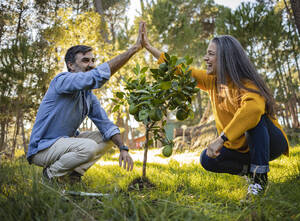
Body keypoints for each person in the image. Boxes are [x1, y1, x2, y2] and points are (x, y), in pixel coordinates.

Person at [141, 23, 289, 195]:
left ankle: (259, 180)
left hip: (270, 142)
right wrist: (149, 48)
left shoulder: (247, 84)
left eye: (210, 54)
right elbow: (181, 70)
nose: (205, 58)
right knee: (207, 159)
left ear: (225, 58)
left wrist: (221, 139)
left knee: (255, 119)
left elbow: (253, 111)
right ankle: (251, 171)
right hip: (240, 147)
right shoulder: (212, 81)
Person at [27, 23, 145, 183]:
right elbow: (94, 78)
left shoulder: (87, 96)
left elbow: (106, 124)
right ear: (71, 65)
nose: (91, 64)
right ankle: (51, 175)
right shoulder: (62, 81)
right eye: (85, 61)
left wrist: (123, 148)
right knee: (88, 147)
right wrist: (133, 50)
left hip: (64, 144)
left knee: (109, 136)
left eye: (92, 60)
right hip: (42, 149)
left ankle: (73, 175)